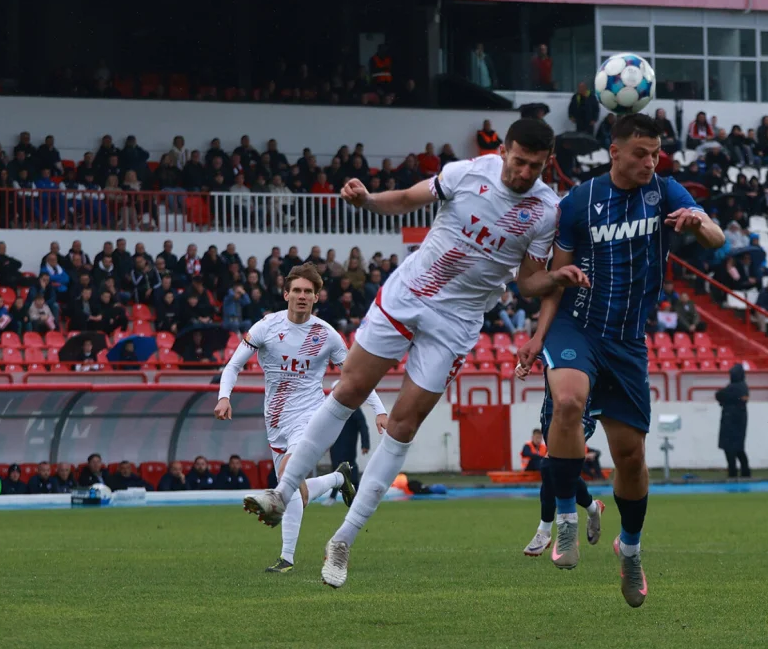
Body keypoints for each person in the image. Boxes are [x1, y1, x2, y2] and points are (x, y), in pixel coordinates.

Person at [241, 118, 587, 589]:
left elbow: (528, 283)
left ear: (547, 164)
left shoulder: (546, 211)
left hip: (456, 324)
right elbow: (407, 199)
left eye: (534, 166)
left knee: (402, 426)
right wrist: (367, 201)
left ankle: (343, 539)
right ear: (504, 151)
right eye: (518, 161)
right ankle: (281, 494)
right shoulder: (467, 173)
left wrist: (555, 281)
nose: (523, 173)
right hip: (409, 294)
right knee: (350, 389)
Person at [519, 113, 723, 607]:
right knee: (567, 402)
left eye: (655, 153)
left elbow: (718, 240)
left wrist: (698, 224)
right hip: (578, 325)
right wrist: (540, 333)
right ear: (614, 151)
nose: (649, 162)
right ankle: (566, 517)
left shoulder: (666, 192)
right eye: (640, 153)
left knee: (630, 458)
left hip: (628, 341)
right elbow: (554, 279)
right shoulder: (579, 202)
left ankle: (629, 548)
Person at [217, 264, 385, 574]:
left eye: (309, 291)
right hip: (276, 419)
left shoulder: (327, 335)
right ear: (286, 294)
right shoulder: (267, 327)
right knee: (294, 488)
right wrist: (224, 396)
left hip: (310, 417)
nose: (302, 296)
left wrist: (380, 410)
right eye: (297, 290)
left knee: (287, 481)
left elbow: (356, 378)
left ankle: (287, 558)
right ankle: (338, 479)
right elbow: (233, 365)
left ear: (316, 297)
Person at [519, 375, 605, 557]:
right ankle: (592, 508)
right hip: (551, 412)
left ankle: (545, 531)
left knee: (549, 464)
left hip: (581, 411)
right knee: (558, 469)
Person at [714, 364, 750, 478]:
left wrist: (725, 399)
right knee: (738, 449)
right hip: (737, 421)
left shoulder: (736, 387)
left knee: (731, 449)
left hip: (731, 421)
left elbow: (720, 395)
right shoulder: (742, 387)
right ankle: (745, 473)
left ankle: (733, 474)